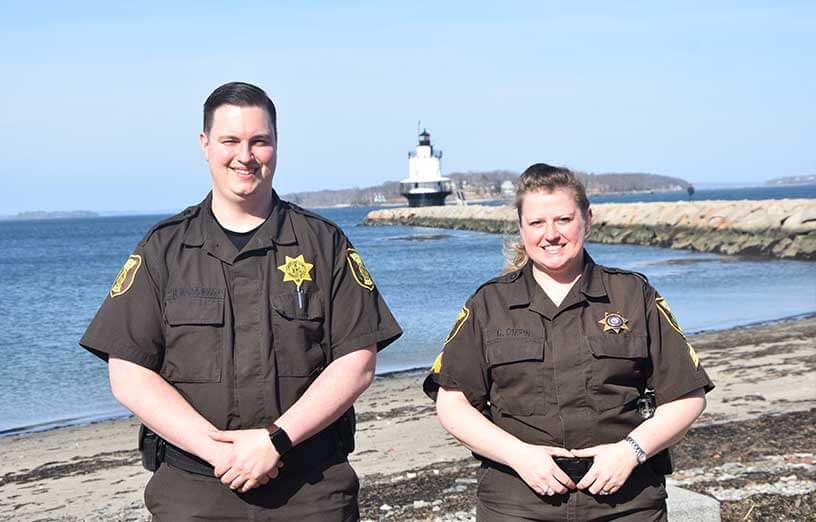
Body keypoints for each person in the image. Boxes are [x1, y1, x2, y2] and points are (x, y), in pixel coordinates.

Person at [79, 82, 402, 521]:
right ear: (205, 145)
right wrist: (217, 450)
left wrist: (275, 440)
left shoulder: (322, 243)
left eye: (259, 141)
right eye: (230, 140)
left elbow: (357, 361)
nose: (245, 156)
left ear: (276, 145)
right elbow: (129, 373)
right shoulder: (163, 249)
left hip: (311, 490)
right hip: (194, 493)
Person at [424, 164, 714, 521]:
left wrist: (630, 451)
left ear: (587, 220)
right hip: (517, 502)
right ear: (520, 227)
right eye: (537, 223)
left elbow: (687, 395)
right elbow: (452, 404)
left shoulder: (632, 295)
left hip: (626, 502)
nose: (551, 235)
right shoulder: (488, 304)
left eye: (563, 219)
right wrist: (520, 456)